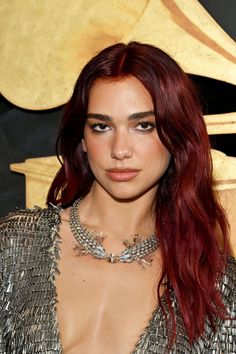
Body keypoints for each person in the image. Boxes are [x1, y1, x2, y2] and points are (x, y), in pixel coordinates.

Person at [0, 42, 235, 354]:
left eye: (143, 126)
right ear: (82, 139)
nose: (120, 150)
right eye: (101, 126)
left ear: (176, 135)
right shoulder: (15, 246)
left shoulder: (214, 287)